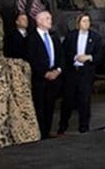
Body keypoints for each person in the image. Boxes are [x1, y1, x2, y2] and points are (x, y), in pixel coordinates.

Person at [58, 13, 103, 134]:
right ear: (78, 24)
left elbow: (99, 55)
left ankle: (84, 127)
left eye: (88, 21)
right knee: (68, 100)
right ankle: (62, 126)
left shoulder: (96, 37)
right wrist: (74, 58)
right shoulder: (71, 36)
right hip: (72, 72)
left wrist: (89, 57)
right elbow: (64, 52)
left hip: (86, 73)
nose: (86, 23)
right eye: (83, 21)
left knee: (84, 101)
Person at [26, 9, 64, 139]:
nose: (50, 21)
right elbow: (31, 59)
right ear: (39, 21)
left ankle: (47, 132)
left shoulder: (54, 37)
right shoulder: (32, 39)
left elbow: (61, 57)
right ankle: (40, 133)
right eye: (47, 18)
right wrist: (44, 73)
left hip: (54, 79)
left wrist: (57, 70)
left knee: (50, 107)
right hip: (39, 80)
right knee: (39, 107)